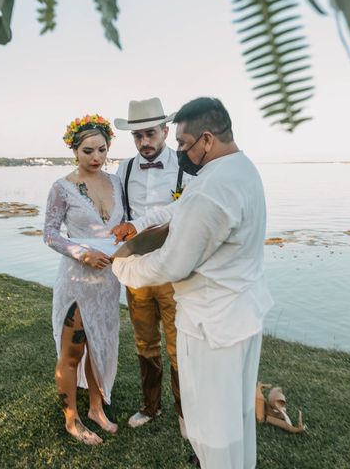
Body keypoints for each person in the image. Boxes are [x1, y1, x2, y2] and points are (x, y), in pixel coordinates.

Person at [112, 97, 274, 468]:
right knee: (235, 417)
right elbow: (180, 209)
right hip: (241, 314)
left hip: (212, 325)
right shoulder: (242, 169)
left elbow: (174, 263)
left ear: (205, 140)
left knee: (212, 424)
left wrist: (121, 268)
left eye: (183, 144)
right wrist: (137, 227)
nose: (180, 152)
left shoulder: (212, 187)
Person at [111, 97, 193, 432]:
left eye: (150, 134)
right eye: (138, 136)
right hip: (138, 270)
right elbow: (118, 216)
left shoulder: (184, 166)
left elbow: (190, 214)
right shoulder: (124, 169)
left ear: (165, 131)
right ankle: (150, 406)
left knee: (178, 343)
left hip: (175, 268)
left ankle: (185, 411)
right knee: (145, 340)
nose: (145, 142)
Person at [43, 114, 123, 445]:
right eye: (88, 150)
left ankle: (95, 409)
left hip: (108, 282)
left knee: (98, 348)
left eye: (102, 150)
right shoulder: (61, 187)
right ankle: (71, 419)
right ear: (74, 149)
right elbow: (49, 234)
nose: (96, 158)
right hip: (77, 281)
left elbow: (122, 225)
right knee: (72, 351)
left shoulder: (116, 182)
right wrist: (82, 253)